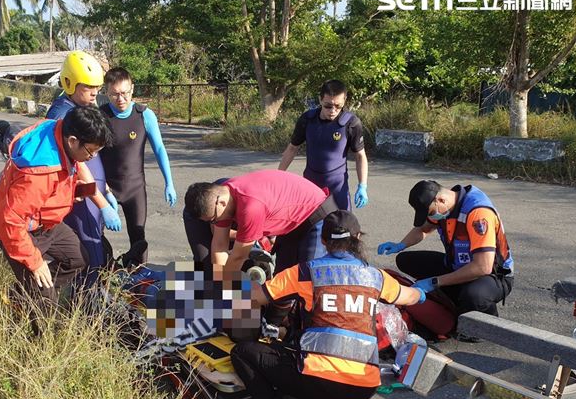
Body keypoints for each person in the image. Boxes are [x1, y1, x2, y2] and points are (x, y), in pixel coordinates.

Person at [230, 210, 426, 399]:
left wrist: (235, 282)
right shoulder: (376, 277)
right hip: (363, 390)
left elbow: (258, 298)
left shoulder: (305, 271)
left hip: (319, 384)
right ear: (358, 237)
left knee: (242, 352)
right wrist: (423, 292)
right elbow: (411, 297)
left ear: (323, 241)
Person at [0, 106, 114, 334]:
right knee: (46, 303)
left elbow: (65, 181)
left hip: (46, 222)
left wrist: (99, 194)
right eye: (91, 151)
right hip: (21, 232)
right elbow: (11, 222)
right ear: (73, 141)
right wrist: (35, 262)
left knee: (77, 258)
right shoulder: (39, 172)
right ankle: (40, 336)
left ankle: (23, 294)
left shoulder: (57, 130)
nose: (91, 157)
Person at [377, 180, 514, 320]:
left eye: (430, 212)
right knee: (405, 260)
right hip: (456, 265)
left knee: (473, 295)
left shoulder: (478, 213)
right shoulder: (445, 207)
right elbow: (424, 229)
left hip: (492, 275)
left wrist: (435, 282)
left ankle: (487, 320)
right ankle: (455, 298)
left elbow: (482, 267)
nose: (431, 217)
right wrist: (400, 245)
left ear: (441, 200)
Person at [47, 51, 122, 271]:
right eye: (88, 87)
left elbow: (93, 157)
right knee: (90, 254)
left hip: (94, 191)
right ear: (69, 83)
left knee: (96, 248)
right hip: (83, 196)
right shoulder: (61, 115)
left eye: (97, 88)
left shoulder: (83, 107)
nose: (95, 93)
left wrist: (105, 189)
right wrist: (102, 202)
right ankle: (87, 304)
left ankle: (91, 298)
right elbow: (77, 166)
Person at [183, 170, 338, 275]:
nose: (215, 223)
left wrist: (227, 290)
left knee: (309, 276)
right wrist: (220, 283)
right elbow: (219, 246)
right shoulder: (225, 195)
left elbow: (238, 257)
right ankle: (276, 322)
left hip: (317, 215)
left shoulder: (250, 207)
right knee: (283, 278)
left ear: (221, 203)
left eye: (214, 219)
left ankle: (312, 323)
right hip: (293, 223)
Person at [99, 67, 176, 264]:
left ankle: (140, 281)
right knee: (95, 237)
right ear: (106, 92)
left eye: (124, 93)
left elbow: (159, 148)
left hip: (134, 189)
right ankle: (102, 277)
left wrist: (169, 182)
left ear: (132, 89)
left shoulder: (144, 115)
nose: (120, 99)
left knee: (138, 239)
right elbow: (90, 158)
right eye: (114, 94)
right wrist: (104, 193)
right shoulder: (100, 117)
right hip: (106, 188)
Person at [277, 80, 369, 211]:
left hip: (338, 188)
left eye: (338, 106)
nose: (333, 110)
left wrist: (362, 185)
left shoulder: (351, 123)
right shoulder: (307, 120)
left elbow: (360, 156)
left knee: (341, 229)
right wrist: (278, 176)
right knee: (311, 230)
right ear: (320, 100)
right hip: (311, 186)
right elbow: (292, 148)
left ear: (345, 100)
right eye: (328, 106)